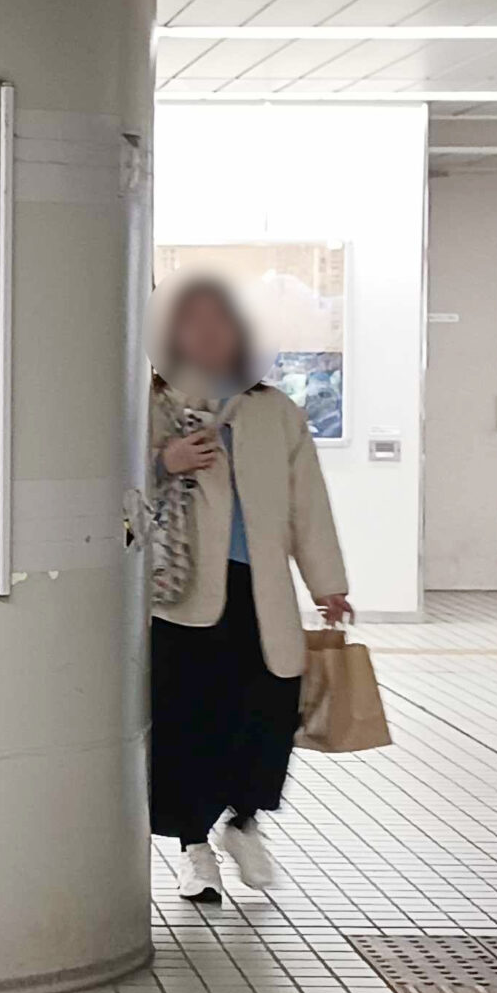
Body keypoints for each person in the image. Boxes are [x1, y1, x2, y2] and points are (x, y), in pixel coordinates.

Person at [149, 276, 351, 903]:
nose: (210, 334)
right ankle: (193, 850)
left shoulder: (275, 410)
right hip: (183, 600)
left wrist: (328, 584)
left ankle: (243, 820)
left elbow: (306, 504)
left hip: (263, 595)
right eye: (195, 322)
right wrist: (164, 462)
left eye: (222, 322)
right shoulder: (150, 405)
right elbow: (109, 488)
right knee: (187, 724)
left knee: (266, 716)